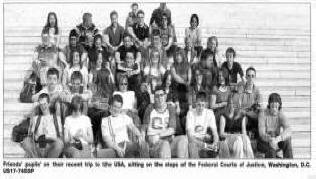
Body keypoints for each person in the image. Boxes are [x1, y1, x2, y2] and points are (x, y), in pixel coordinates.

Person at [143, 86, 188, 158]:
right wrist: (145, 142)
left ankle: (182, 165)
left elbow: (172, 130)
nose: (160, 98)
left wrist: (159, 136)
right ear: (154, 98)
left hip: (167, 139)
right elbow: (144, 127)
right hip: (154, 143)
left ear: (165, 96)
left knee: (183, 139)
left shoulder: (170, 108)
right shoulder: (150, 108)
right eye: (157, 96)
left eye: (161, 95)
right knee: (165, 144)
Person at [21, 93, 63, 158]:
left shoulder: (56, 118)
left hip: (51, 147)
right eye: (41, 105)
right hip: (38, 147)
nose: (43, 106)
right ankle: (37, 161)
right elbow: (32, 136)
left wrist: (48, 137)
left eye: (45, 104)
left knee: (59, 143)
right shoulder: (36, 118)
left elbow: (59, 136)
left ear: (49, 104)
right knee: (26, 141)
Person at [257, 93, 293, 158]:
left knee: (287, 140)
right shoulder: (262, 113)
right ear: (269, 105)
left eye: (276, 106)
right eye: (272, 106)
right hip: (264, 141)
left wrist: (278, 139)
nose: (274, 109)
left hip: (276, 139)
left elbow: (288, 129)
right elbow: (262, 133)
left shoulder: (280, 113)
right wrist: (271, 140)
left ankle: (290, 163)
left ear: (279, 107)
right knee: (271, 148)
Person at [231, 67, 262, 139]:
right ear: (245, 77)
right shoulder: (240, 88)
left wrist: (246, 112)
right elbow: (235, 106)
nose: (250, 78)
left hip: (251, 115)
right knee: (244, 118)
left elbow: (258, 108)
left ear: (255, 77)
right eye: (248, 76)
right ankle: (244, 137)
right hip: (241, 115)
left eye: (252, 76)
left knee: (261, 115)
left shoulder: (257, 91)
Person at [186, 91, 219, 158]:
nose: (201, 108)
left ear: (206, 104)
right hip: (195, 141)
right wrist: (204, 145)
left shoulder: (210, 113)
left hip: (206, 141)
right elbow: (190, 137)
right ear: (195, 104)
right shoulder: (190, 113)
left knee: (221, 145)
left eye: (203, 105)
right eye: (198, 105)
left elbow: (215, 133)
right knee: (192, 146)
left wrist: (215, 143)